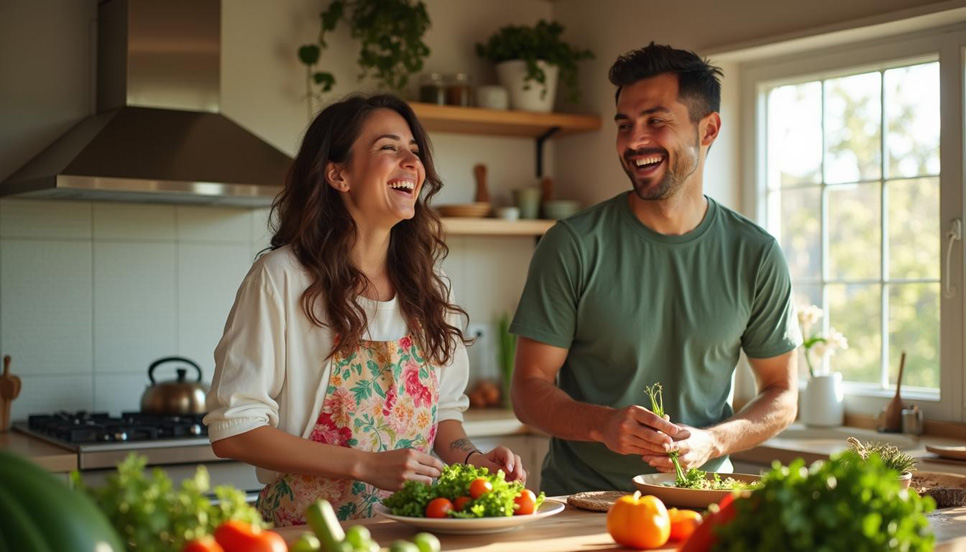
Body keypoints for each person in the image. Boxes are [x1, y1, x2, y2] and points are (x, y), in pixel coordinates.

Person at [204, 94, 526, 526]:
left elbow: (445, 414)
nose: (411, 161)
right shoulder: (283, 277)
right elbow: (235, 431)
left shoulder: (429, 285)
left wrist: (474, 459)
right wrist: (365, 465)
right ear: (338, 174)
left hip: (414, 527)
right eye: (389, 148)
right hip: (310, 533)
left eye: (414, 150)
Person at [509, 43, 802, 495]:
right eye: (625, 125)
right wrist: (603, 424)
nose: (633, 141)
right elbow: (529, 389)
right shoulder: (572, 245)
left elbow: (782, 393)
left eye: (655, 122)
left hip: (703, 506)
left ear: (708, 130)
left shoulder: (756, 254)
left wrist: (713, 441)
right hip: (584, 503)